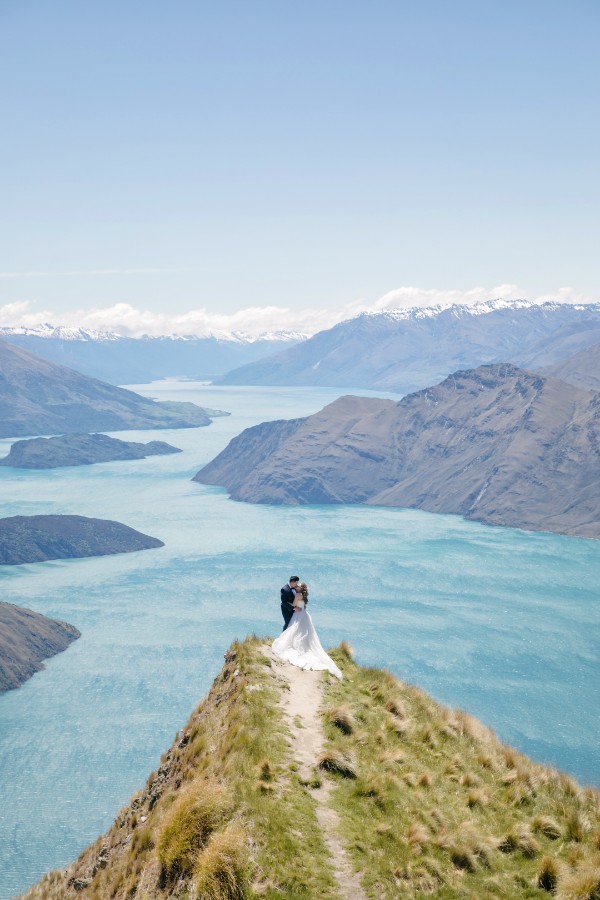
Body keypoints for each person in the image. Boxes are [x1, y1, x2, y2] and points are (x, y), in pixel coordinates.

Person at [272, 582, 342, 679]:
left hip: (298, 614)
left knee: (294, 630)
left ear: (300, 589)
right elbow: (302, 605)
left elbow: (293, 605)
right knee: (304, 632)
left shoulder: (298, 595)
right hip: (304, 614)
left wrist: (287, 603)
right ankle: (305, 645)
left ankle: (295, 644)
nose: (296, 587)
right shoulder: (304, 596)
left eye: (298, 586)